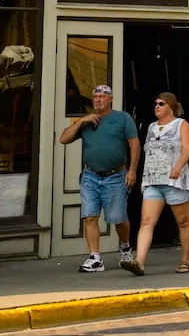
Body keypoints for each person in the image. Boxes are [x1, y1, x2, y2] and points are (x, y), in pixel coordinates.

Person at [58, 84, 139, 273]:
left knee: (119, 218)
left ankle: (125, 247)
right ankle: (95, 258)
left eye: (102, 96)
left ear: (110, 99)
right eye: (95, 97)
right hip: (90, 176)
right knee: (90, 216)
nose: (97, 100)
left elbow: (134, 144)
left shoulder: (122, 118)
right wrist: (81, 120)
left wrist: (132, 171)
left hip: (116, 175)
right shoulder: (87, 121)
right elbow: (63, 138)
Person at [123, 93, 189, 276]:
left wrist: (178, 167)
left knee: (183, 221)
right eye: (155, 103)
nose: (157, 106)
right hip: (153, 181)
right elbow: (149, 154)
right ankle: (139, 261)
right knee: (146, 221)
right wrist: (144, 180)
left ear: (171, 107)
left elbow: (188, 149)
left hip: (175, 181)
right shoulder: (152, 127)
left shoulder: (181, 124)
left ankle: (186, 261)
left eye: (161, 104)